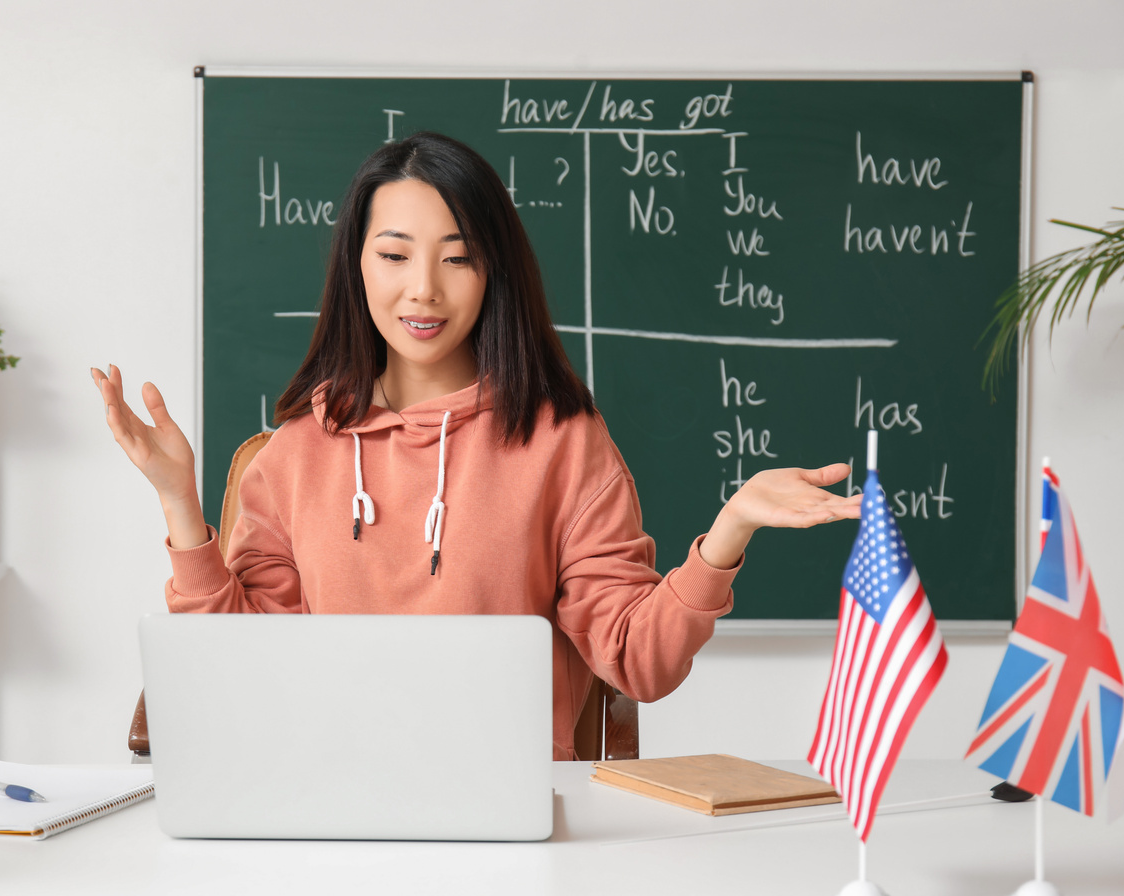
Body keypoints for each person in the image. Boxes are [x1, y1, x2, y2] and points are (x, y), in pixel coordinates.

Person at [93, 131, 861, 760]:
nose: (423, 288)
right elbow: (235, 670)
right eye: (394, 255)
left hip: (512, 805)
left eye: (456, 257)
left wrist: (727, 534)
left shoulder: (564, 441)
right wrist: (178, 503)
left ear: (494, 271)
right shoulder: (299, 449)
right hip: (325, 796)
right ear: (356, 265)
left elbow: (641, 662)